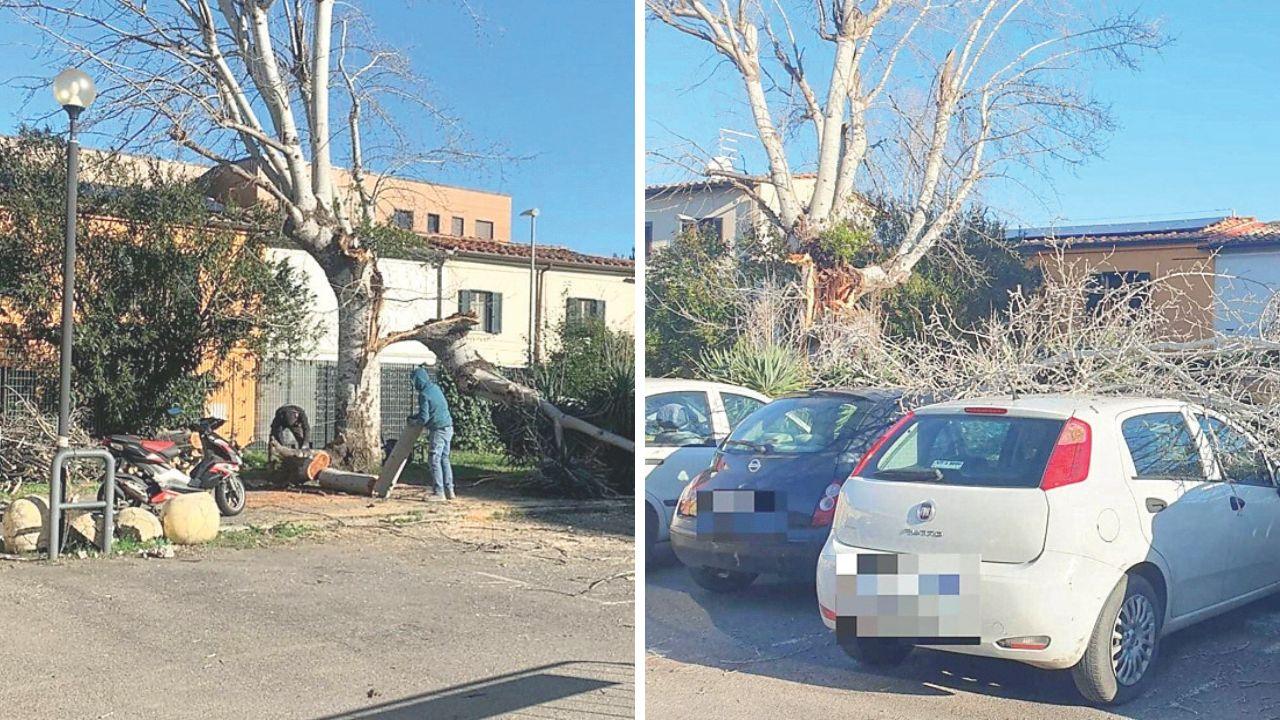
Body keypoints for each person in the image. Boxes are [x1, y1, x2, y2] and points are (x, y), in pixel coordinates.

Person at [409, 365, 455, 500]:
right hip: (448, 427)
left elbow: (424, 418)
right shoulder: (435, 388)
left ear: (418, 381)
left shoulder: (424, 394)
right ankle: (450, 490)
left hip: (438, 430)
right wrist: (416, 416)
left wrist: (414, 423)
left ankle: (439, 492)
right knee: (444, 459)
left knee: (434, 459)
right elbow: (432, 410)